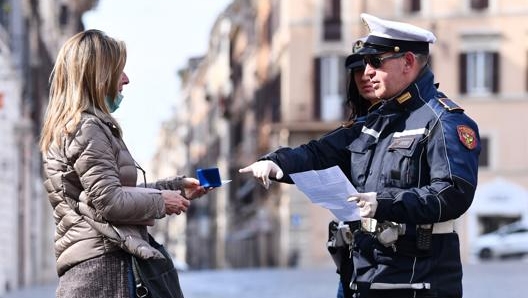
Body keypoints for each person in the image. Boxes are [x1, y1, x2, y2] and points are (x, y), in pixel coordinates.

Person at [40, 29, 208, 298]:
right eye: (119, 71)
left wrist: (175, 189)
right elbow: (109, 201)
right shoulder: (86, 128)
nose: (126, 80)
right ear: (96, 76)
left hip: (95, 272)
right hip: (103, 274)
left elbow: (105, 193)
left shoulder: (80, 126)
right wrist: (161, 201)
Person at [239, 38, 379, 298]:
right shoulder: (357, 127)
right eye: (358, 71)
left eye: (373, 67)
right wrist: (274, 162)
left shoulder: (424, 120)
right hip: (356, 260)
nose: (365, 76)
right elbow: (315, 152)